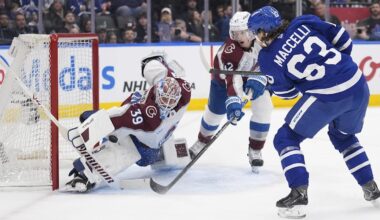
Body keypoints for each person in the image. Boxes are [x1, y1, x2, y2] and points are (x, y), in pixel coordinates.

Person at [248, 6, 380, 218]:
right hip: (357, 83)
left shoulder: (267, 58)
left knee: (285, 138)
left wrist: (269, 83)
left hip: (327, 95)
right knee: (343, 137)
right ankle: (371, 188)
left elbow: (289, 94)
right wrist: (334, 69)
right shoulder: (303, 22)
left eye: (256, 32)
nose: (256, 37)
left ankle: (298, 193)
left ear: (263, 31)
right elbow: (344, 40)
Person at [64, 51, 192, 192]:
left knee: (125, 149)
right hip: (161, 138)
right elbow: (164, 71)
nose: (167, 103)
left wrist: (92, 123)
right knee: (131, 111)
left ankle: (87, 175)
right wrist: (153, 62)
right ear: (157, 88)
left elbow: (120, 117)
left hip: (145, 151)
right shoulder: (184, 89)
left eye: (171, 101)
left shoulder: (147, 117)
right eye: (164, 98)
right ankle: (162, 154)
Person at [189, 11, 273, 173]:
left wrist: (263, 77)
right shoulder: (228, 53)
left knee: (264, 108)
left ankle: (255, 149)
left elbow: (274, 62)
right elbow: (232, 80)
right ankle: (201, 140)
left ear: (252, 30)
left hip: (254, 79)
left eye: (242, 32)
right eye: (234, 33)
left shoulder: (264, 40)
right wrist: (235, 102)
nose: (238, 36)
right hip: (223, 82)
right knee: (214, 114)